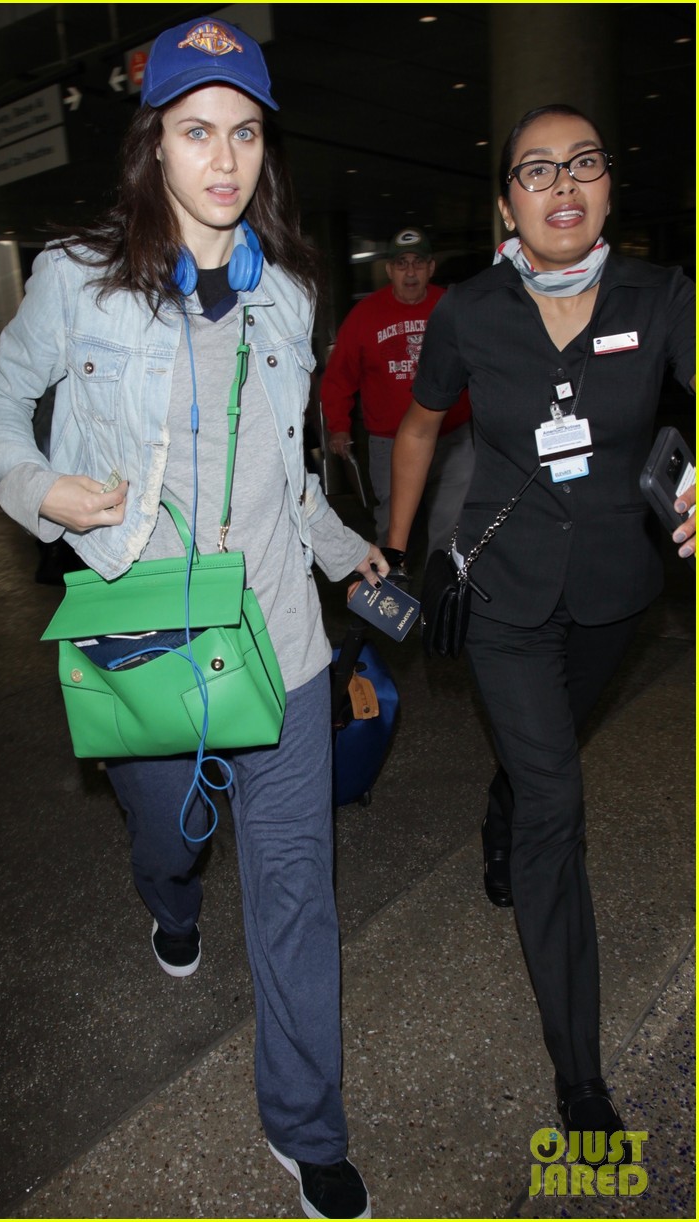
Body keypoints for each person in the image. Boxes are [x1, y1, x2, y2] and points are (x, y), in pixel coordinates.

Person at [0, 16, 384, 1219]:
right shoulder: (78, 282)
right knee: (171, 837)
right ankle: (169, 896)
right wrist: (40, 486)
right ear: (155, 145)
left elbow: (289, 477)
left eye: (245, 132)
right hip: (146, 639)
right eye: (198, 131)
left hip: (282, 648)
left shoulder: (290, 292)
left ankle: (305, 1128)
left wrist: (354, 557)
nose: (224, 159)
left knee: (300, 892)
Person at [388, 104, 695, 1149]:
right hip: (504, 592)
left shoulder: (662, 296)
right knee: (559, 803)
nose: (563, 184)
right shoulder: (470, 311)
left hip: (615, 590)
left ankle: (504, 795)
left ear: (609, 186)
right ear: (508, 204)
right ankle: (580, 1073)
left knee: (541, 755)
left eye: (584, 165)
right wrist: (396, 545)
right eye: (536, 171)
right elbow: (423, 424)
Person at [320, 226, 473, 552]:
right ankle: (391, 596)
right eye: (401, 264)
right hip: (390, 443)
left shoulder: (453, 307)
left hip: (452, 439)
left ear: (431, 268)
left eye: (418, 263)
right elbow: (338, 377)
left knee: (452, 529)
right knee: (392, 528)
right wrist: (338, 426)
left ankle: (441, 597)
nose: (410, 272)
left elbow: (483, 367)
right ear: (389, 270)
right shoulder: (365, 316)